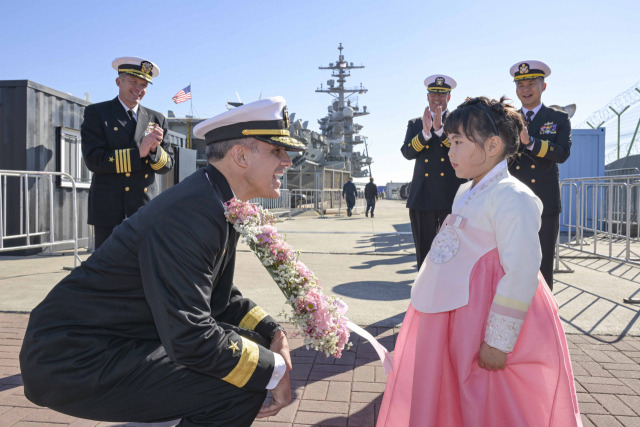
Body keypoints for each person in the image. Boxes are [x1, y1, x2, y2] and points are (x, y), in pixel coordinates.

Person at [20, 97, 307, 426]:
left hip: (108, 342)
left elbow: (217, 297)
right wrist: (274, 371)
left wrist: (272, 332)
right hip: (72, 357)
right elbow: (191, 337)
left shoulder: (212, 199)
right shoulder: (193, 213)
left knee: (251, 353)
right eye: (276, 151)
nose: (287, 161)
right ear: (240, 155)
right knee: (238, 383)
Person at [378, 97, 581, 427]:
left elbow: (523, 272)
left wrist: (498, 342)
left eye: (458, 142)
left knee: (488, 400)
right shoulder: (464, 192)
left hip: (485, 320)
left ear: (492, 145)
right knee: (454, 393)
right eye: (449, 142)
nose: (450, 152)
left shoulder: (513, 197)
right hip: (456, 314)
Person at [81, 56, 175, 249]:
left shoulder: (157, 118)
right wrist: (138, 153)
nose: (138, 89)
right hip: (109, 210)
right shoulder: (97, 113)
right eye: (133, 82)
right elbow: (94, 160)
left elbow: (167, 166)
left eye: (144, 85)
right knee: (107, 271)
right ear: (118, 81)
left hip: (144, 209)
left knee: (142, 270)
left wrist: (154, 151)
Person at [508, 60, 572, 290]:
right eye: (520, 84)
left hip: (545, 201)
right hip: (513, 201)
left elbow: (562, 153)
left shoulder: (558, 118)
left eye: (531, 83)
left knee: (543, 262)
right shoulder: (507, 119)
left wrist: (531, 143)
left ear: (543, 87)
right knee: (511, 260)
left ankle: (543, 317)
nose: (525, 89)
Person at [401, 74, 466, 269]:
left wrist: (440, 131)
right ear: (427, 96)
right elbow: (407, 153)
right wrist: (425, 134)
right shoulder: (415, 124)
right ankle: (424, 291)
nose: (437, 98)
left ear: (449, 97)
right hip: (423, 195)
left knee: (453, 250)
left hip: (450, 195)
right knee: (424, 252)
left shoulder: (458, 121)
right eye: (433, 94)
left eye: (442, 94)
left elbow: (462, 151)